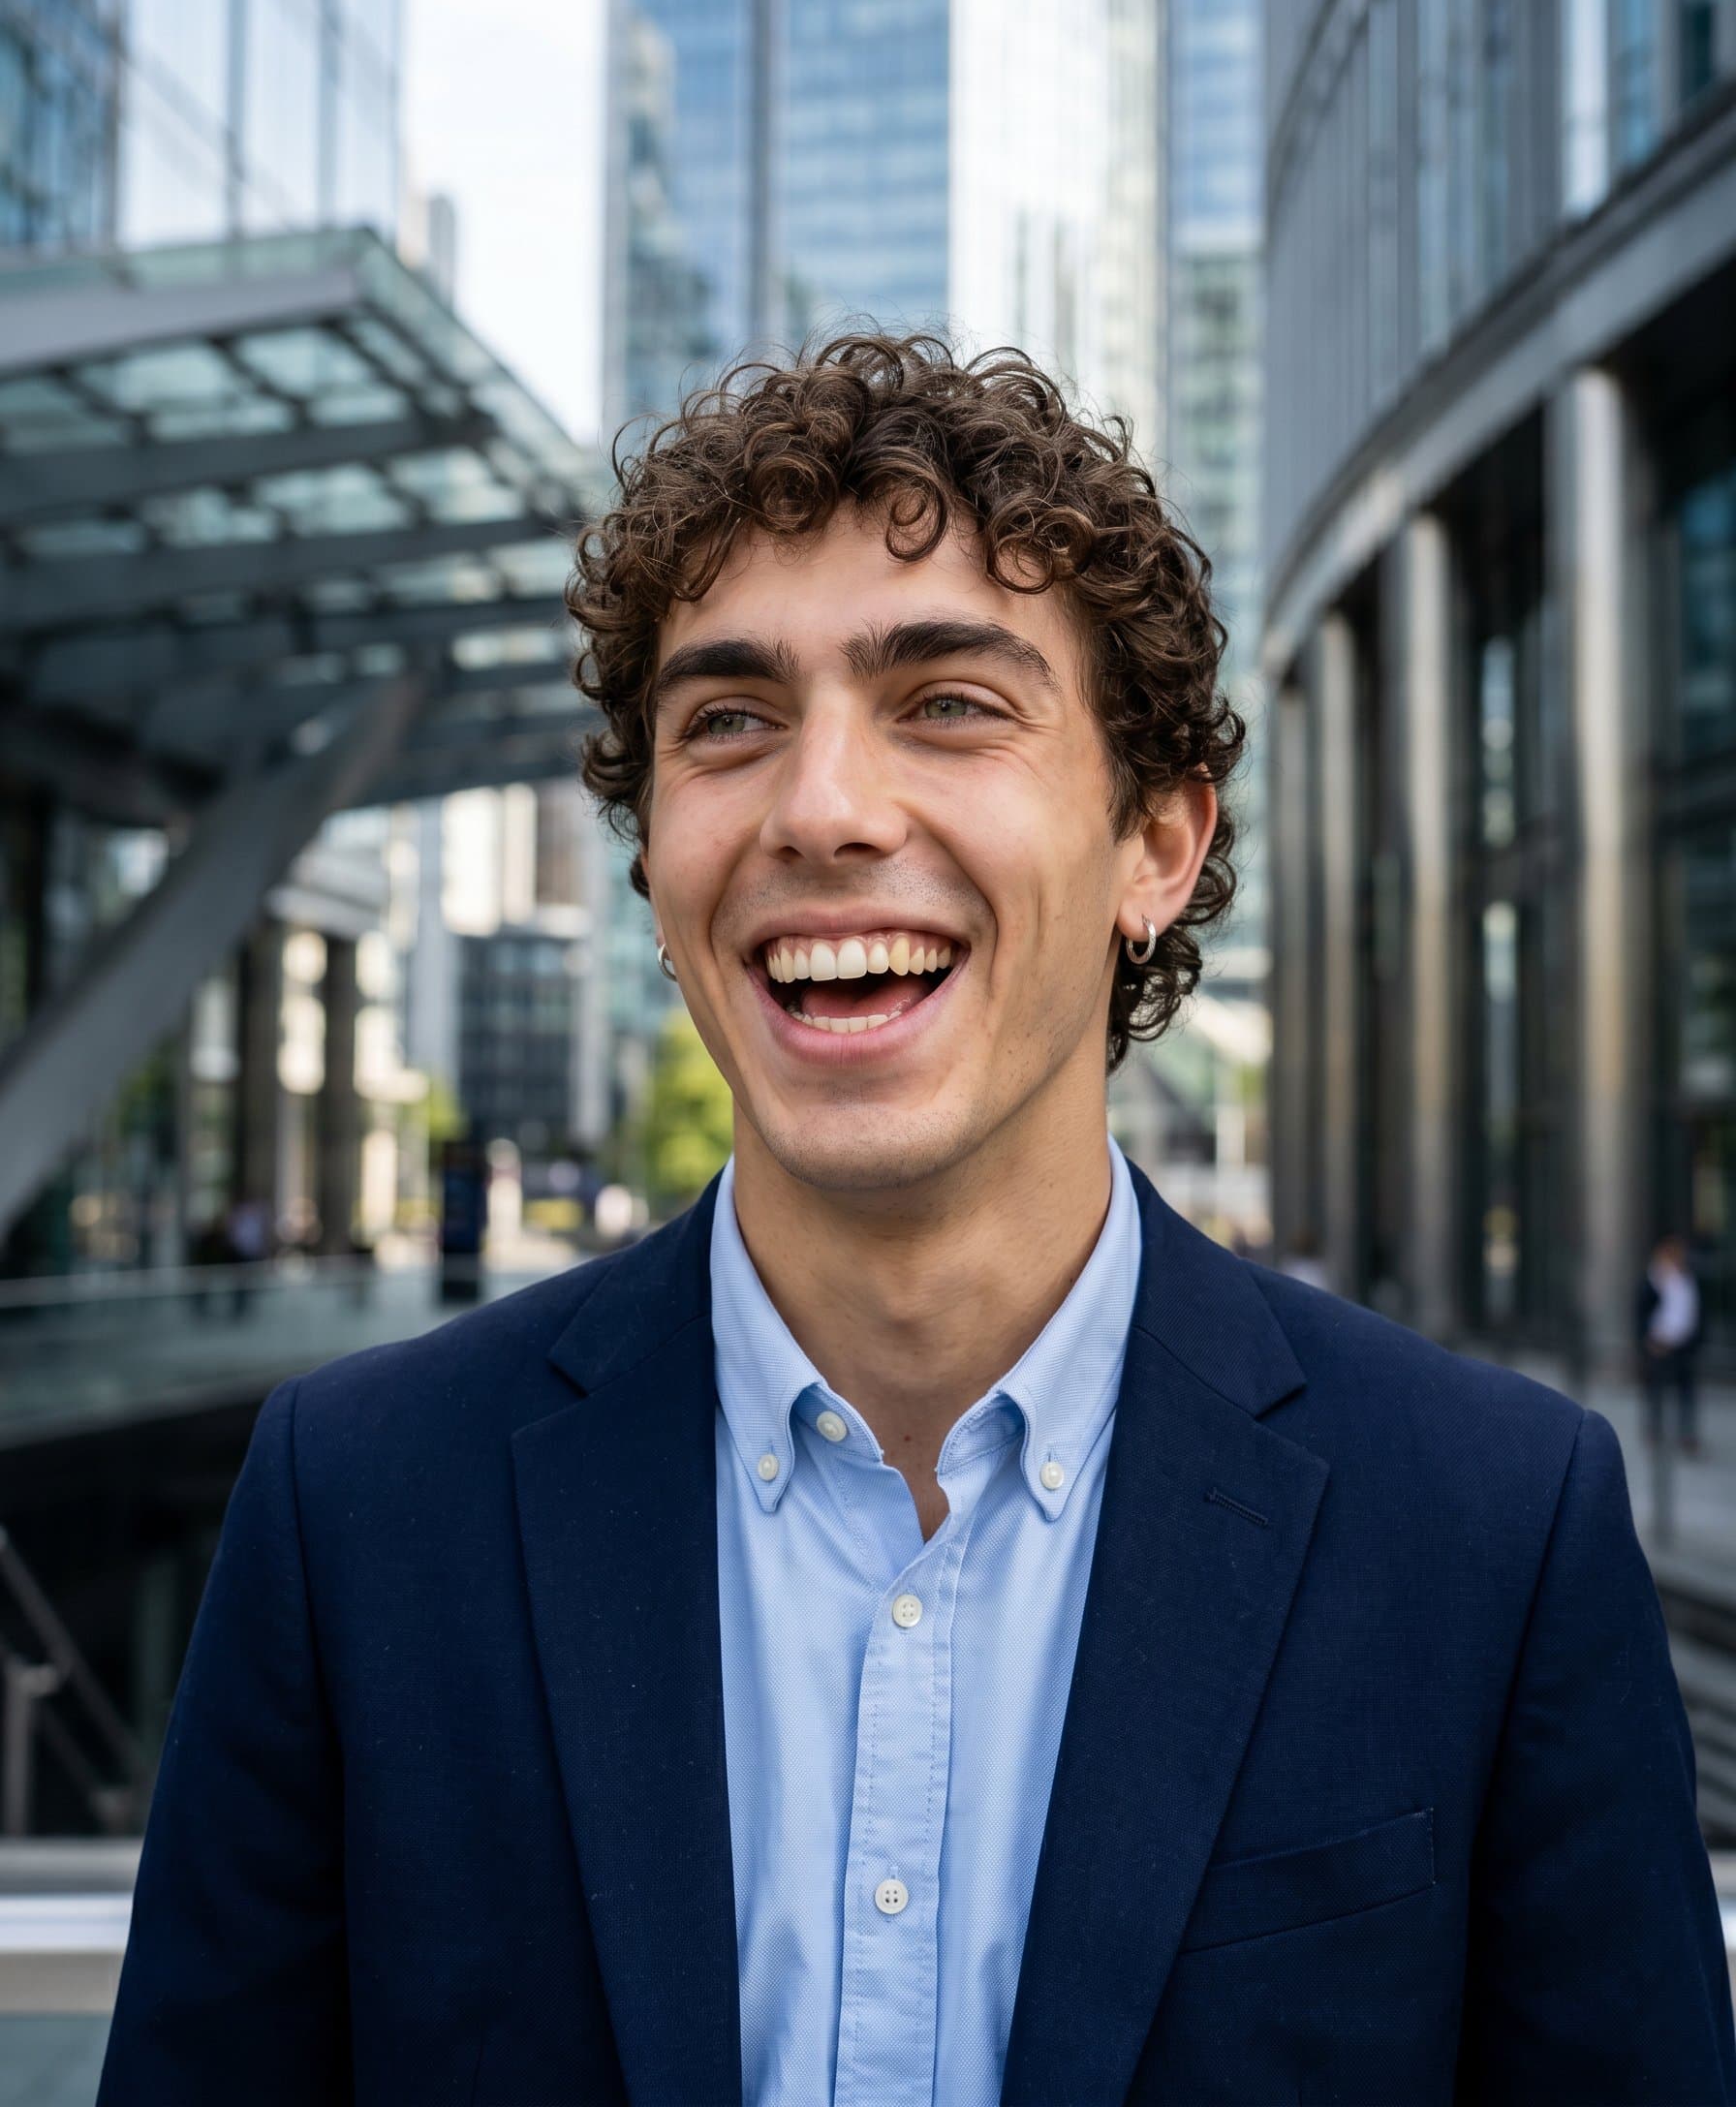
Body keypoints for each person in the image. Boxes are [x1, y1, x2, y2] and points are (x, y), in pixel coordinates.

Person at [98, 337, 1735, 2105]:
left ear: (1156, 848)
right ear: (652, 866)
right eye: (727, 722)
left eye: (950, 703)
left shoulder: (1491, 1530)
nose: (820, 809)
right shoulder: (357, 1510)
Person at [1637, 1231, 1704, 1457]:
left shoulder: (1689, 1279)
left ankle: (1687, 1435)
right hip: (1658, 1346)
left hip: (1683, 1347)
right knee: (1655, 1391)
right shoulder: (1652, 1280)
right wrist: (1649, 1341)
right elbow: (1641, 1313)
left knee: (1686, 1393)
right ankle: (1654, 1430)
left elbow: (1695, 1315)